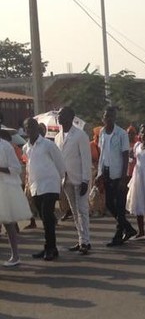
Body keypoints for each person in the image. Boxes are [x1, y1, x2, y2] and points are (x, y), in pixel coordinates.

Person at [23, 118, 66, 261]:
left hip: (50, 184)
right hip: (36, 186)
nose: (30, 130)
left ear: (37, 128)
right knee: (43, 217)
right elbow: (30, 167)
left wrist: (60, 181)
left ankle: (51, 248)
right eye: (27, 127)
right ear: (25, 130)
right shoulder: (26, 148)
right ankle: (49, 247)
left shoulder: (48, 145)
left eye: (32, 126)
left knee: (47, 215)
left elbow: (60, 163)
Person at [96, 107, 137, 247]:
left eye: (112, 116)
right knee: (108, 203)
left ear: (115, 118)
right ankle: (129, 228)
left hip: (118, 174)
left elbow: (125, 156)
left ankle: (119, 235)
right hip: (106, 172)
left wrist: (123, 177)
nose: (109, 118)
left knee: (119, 206)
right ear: (103, 118)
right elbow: (101, 154)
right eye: (107, 116)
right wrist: (99, 174)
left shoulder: (121, 134)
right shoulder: (101, 132)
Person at [54, 107, 92, 255]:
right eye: (59, 115)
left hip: (79, 178)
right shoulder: (58, 137)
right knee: (74, 212)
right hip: (66, 179)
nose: (59, 117)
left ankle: (86, 242)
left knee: (82, 210)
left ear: (71, 117)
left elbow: (86, 159)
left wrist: (85, 180)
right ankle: (81, 238)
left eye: (62, 115)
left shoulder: (80, 135)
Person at [0, 128, 31, 266]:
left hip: (4, 187)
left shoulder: (5, 146)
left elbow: (16, 168)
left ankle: (15, 255)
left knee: (8, 223)